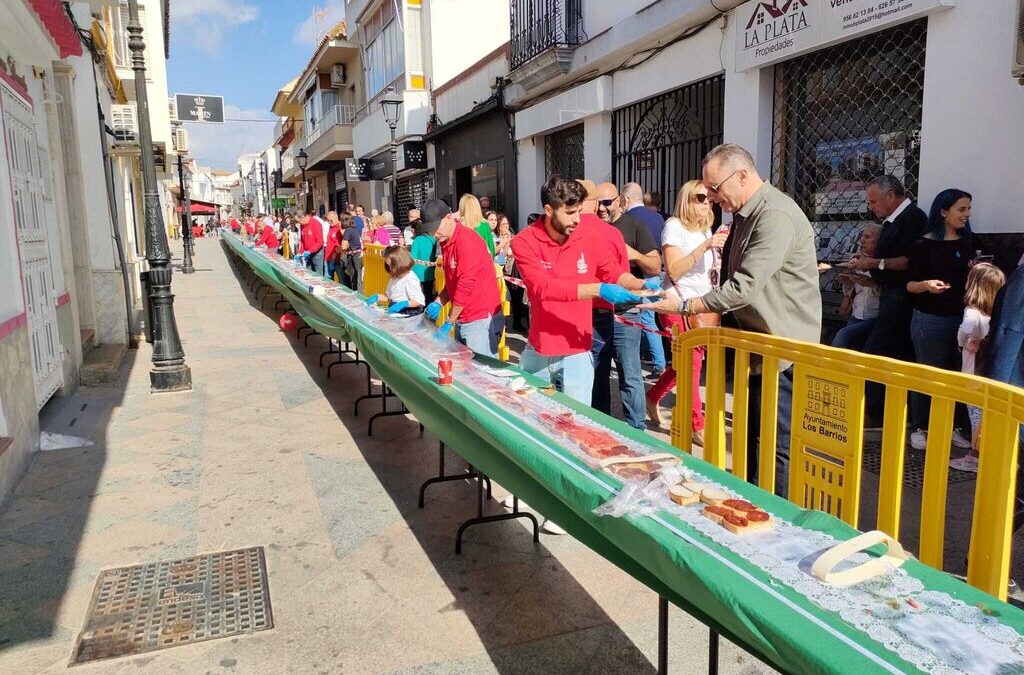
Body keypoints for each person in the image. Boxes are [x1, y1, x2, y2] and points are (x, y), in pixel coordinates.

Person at [649, 144, 821, 497]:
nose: (711, 198)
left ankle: (774, 527)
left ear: (742, 176)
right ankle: (750, 508)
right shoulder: (744, 216)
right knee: (748, 441)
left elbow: (742, 287)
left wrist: (685, 306)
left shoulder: (774, 216)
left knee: (776, 449)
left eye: (715, 188)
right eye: (706, 191)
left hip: (783, 354)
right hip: (753, 350)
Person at [511, 176, 648, 405]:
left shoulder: (588, 236)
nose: (577, 219)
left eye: (579, 211)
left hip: (577, 348)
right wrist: (599, 290)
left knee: (577, 423)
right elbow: (542, 288)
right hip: (540, 348)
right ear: (548, 210)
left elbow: (612, 272)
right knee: (531, 416)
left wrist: (642, 285)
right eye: (570, 212)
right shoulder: (524, 241)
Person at [645, 180, 728, 443]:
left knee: (687, 363)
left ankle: (653, 396)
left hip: (701, 307)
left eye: (710, 198)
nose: (707, 202)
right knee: (691, 364)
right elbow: (673, 270)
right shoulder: (674, 227)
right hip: (676, 306)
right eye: (700, 198)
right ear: (687, 200)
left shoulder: (705, 230)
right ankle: (696, 424)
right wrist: (705, 246)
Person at [906, 188, 975, 452]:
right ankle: (920, 427)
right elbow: (909, 285)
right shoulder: (923, 245)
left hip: (962, 320)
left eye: (969, 209)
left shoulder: (968, 242)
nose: (967, 215)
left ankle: (954, 426)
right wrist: (926, 285)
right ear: (944, 212)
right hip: (929, 320)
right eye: (961, 209)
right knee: (928, 374)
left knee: (958, 376)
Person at [592, 181, 661, 429]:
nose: (601, 208)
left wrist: (634, 255)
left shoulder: (635, 226)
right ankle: (600, 427)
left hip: (626, 313)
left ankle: (636, 431)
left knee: (630, 373)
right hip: (595, 313)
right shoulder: (588, 229)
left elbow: (656, 266)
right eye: (597, 203)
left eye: (607, 202)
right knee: (597, 374)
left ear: (620, 201)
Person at [422, 199, 504, 357]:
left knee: (482, 372)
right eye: (430, 231)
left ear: (448, 218)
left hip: (479, 318)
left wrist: (449, 321)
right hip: (463, 315)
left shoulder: (467, 241)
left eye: (435, 229)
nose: (434, 234)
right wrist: (439, 302)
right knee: (465, 369)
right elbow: (454, 282)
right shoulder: (446, 242)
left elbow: (465, 285)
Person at [949, 263, 1006, 472]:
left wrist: (965, 341)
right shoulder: (996, 315)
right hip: (989, 372)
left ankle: (976, 456)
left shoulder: (972, 312)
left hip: (972, 372)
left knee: (975, 415)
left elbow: (965, 332)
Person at [622, 182, 667, 376]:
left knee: (646, 318)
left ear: (626, 199)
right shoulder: (659, 218)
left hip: (640, 276)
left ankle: (659, 364)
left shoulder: (627, 220)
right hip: (661, 272)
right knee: (656, 317)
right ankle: (655, 358)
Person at [832, 225, 881, 351]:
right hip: (856, 314)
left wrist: (871, 283)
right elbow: (854, 292)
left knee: (843, 336)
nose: (862, 241)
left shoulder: (882, 263)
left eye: (867, 237)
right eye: (862, 236)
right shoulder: (857, 260)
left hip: (874, 317)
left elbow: (890, 293)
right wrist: (848, 283)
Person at [381, 245, 426, 315]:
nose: (389, 268)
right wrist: (377, 297)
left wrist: (404, 304)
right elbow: (388, 296)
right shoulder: (394, 277)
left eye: (391, 265)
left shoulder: (410, 278)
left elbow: (419, 301)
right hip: (394, 309)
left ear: (398, 264)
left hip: (407, 313)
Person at [410, 217, 437, 303]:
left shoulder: (416, 240)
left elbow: (413, 257)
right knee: (429, 295)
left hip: (418, 274)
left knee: (420, 297)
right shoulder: (433, 239)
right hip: (431, 272)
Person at [297, 210, 326, 275]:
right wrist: (300, 252)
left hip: (317, 253)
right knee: (309, 273)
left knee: (318, 274)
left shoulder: (316, 223)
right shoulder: (302, 225)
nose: (299, 223)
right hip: (307, 253)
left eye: (299, 221)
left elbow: (320, 241)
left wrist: (310, 251)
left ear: (303, 217)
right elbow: (302, 240)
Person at [324, 210, 344, 282]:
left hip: (336, 259)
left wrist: (333, 258)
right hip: (329, 258)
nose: (329, 222)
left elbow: (338, 245)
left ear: (336, 218)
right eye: (328, 221)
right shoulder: (331, 227)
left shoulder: (339, 228)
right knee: (328, 280)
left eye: (331, 220)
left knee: (341, 280)